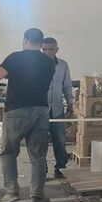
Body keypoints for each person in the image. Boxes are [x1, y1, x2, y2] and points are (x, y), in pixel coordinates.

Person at [0, 28, 56, 202]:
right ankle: (37, 197)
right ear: (41, 44)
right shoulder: (49, 62)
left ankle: (11, 192)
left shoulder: (15, 58)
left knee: (9, 152)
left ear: (25, 40)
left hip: (16, 111)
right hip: (40, 110)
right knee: (38, 155)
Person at [41, 36, 73, 179]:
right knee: (40, 142)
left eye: (51, 49)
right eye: (44, 49)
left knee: (59, 140)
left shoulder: (63, 66)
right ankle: (41, 171)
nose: (47, 52)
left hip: (57, 110)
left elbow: (67, 86)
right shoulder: (36, 65)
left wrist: (70, 104)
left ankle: (61, 168)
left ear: (56, 50)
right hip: (40, 110)